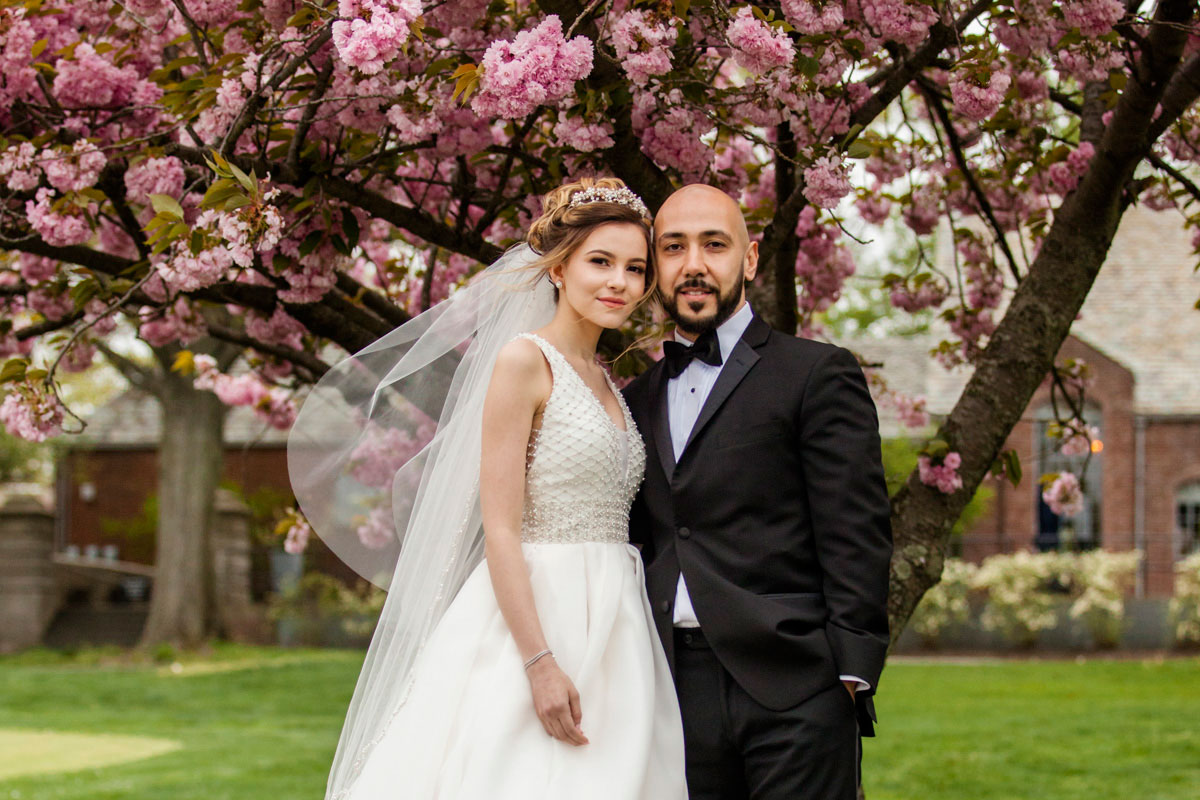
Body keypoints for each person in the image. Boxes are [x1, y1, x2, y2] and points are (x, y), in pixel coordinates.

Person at [289, 178, 687, 800]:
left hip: (617, 618)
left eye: (635, 268)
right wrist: (539, 662)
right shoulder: (524, 362)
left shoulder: (609, 381)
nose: (619, 282)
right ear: (559, 268)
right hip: (537, 612)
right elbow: (500, 527)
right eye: (600, 262)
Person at [622, 184, 893, 800]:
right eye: (674, 247)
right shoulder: (634, 399)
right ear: (656, 267)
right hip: (671, 688)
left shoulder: (817, 373)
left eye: (714, 245)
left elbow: (855, 528)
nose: (694, 263)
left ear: (748, 260)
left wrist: (851, 673)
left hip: (797, 686)